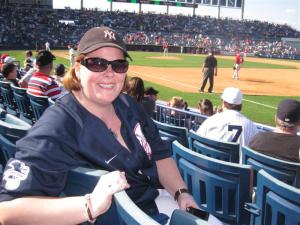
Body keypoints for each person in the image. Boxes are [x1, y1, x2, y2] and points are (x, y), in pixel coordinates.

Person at [0, 26, 220, 225]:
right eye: (97, 63)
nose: (109, 73)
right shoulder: (58, 125)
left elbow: (160, 154)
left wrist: (181, 193)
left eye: (119, 65)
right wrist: (88, 206)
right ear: (78, 68)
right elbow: (7, 211)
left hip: (153, 203)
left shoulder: (128, 105)